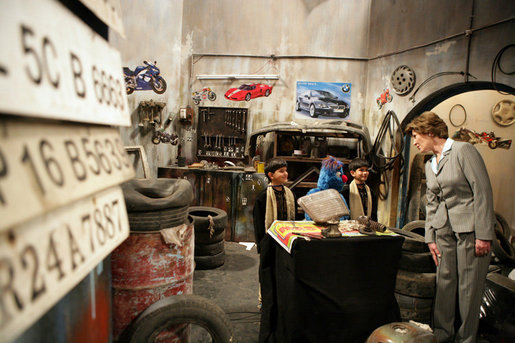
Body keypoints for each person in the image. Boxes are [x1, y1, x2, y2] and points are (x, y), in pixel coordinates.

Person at [405, 111, 494, 343]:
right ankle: (443, 336)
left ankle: (466, 339)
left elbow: (482, 192)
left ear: (430, 132)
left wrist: (484, 234)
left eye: (416, 136)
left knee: (468, 290)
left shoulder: (463, 151)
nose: (414, 142)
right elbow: (432, 203)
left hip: (471, 232)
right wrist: (430, 238)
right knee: (444, 285)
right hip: (444, 233)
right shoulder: (430, 163)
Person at [253, 158, 296, 253]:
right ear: (271, 175)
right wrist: (261, 245)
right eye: (281, 171)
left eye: (286, 171)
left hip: (287, 239)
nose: (285, 174)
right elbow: (258, 223)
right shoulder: (263, 197)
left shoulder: (290, 194)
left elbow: (294, 217)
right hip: (269, 241)